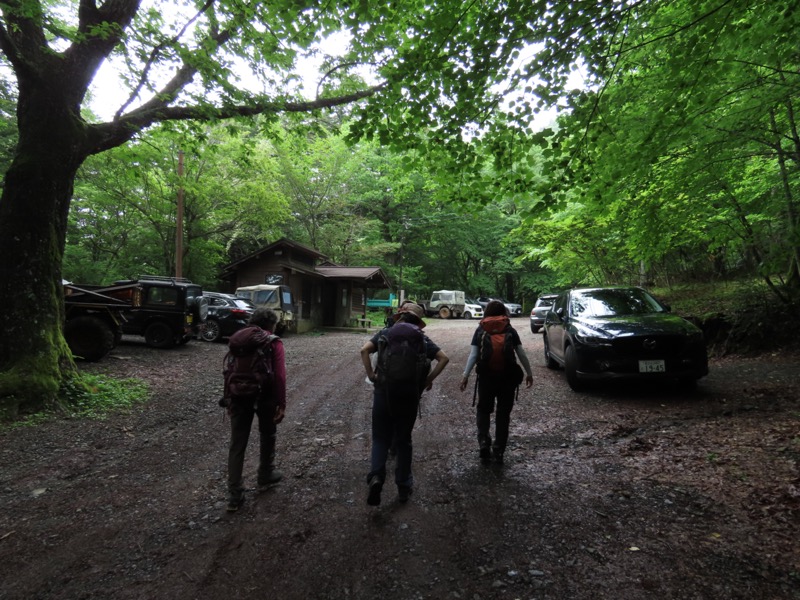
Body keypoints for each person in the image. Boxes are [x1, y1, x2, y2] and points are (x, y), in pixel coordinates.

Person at [360, 302, 449, 506]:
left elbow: (364, 351)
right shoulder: (422, 339)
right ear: (417, 321)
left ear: (399, 316)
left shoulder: (385, 334)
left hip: (384, 392)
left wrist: (372, 375)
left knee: (380, 437)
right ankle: (403, 486)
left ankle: (376, 477)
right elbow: (444, 358)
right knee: (403, 440)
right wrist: (427, 380)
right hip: (409, 394)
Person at [224, 308, 287, 512]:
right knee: (268, 433)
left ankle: (235, 494)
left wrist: (228, 398)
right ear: (271, 324)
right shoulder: (273, 341)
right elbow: (279, 376)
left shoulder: (238, 339)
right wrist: (281, 402)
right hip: (265, 395)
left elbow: (229, 370)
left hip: (238, 394)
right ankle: (265, 473)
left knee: (237, 443)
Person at [459, 300, 533, 465]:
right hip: (507, 378)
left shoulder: (481, 329)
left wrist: (465, 376)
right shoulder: (509, 329)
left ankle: (484, 442)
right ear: (503, 312)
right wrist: (529, 373)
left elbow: (473, 355)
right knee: (503, 414)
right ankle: (499, 449)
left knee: (484, 410)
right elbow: (521, 353)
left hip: (486, 377)